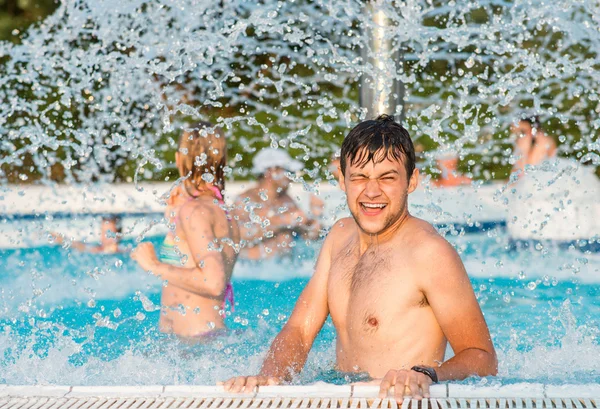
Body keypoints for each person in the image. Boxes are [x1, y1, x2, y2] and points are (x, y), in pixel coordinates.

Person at [222, 115, 497, 400]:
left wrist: (424, 373)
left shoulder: (429, 253)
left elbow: (482, 357)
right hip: (345, 396)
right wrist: (271, 376)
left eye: (387, 178)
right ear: (342, 179)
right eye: (360, 177)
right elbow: (299, 331)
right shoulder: (339, 237)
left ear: (411, 181)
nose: (372, 191)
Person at [131, 122, 240, 339]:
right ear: (222, 161)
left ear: (179, 158)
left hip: (195, 345)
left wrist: (154, 265)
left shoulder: (195, 211)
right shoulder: (220, 211)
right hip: (202, 340)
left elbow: (213, 282)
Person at [232, 148, 320, 260]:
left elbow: (306, 236)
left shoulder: (286, 200)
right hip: (251, 268)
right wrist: (281, 221)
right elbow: (236, 236)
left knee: (285, 238)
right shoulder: (246, 200)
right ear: (271, 172)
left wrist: (314, 220)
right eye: (289, 172)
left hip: (282, 270)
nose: (291, 178)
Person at [52, 215, 122, 253]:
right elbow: (79, 246)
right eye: (102, 232)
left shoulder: (123, 253)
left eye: (108, 233)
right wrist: (61, 239)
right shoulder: (97, 250)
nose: (104, 236)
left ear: (118, 235)